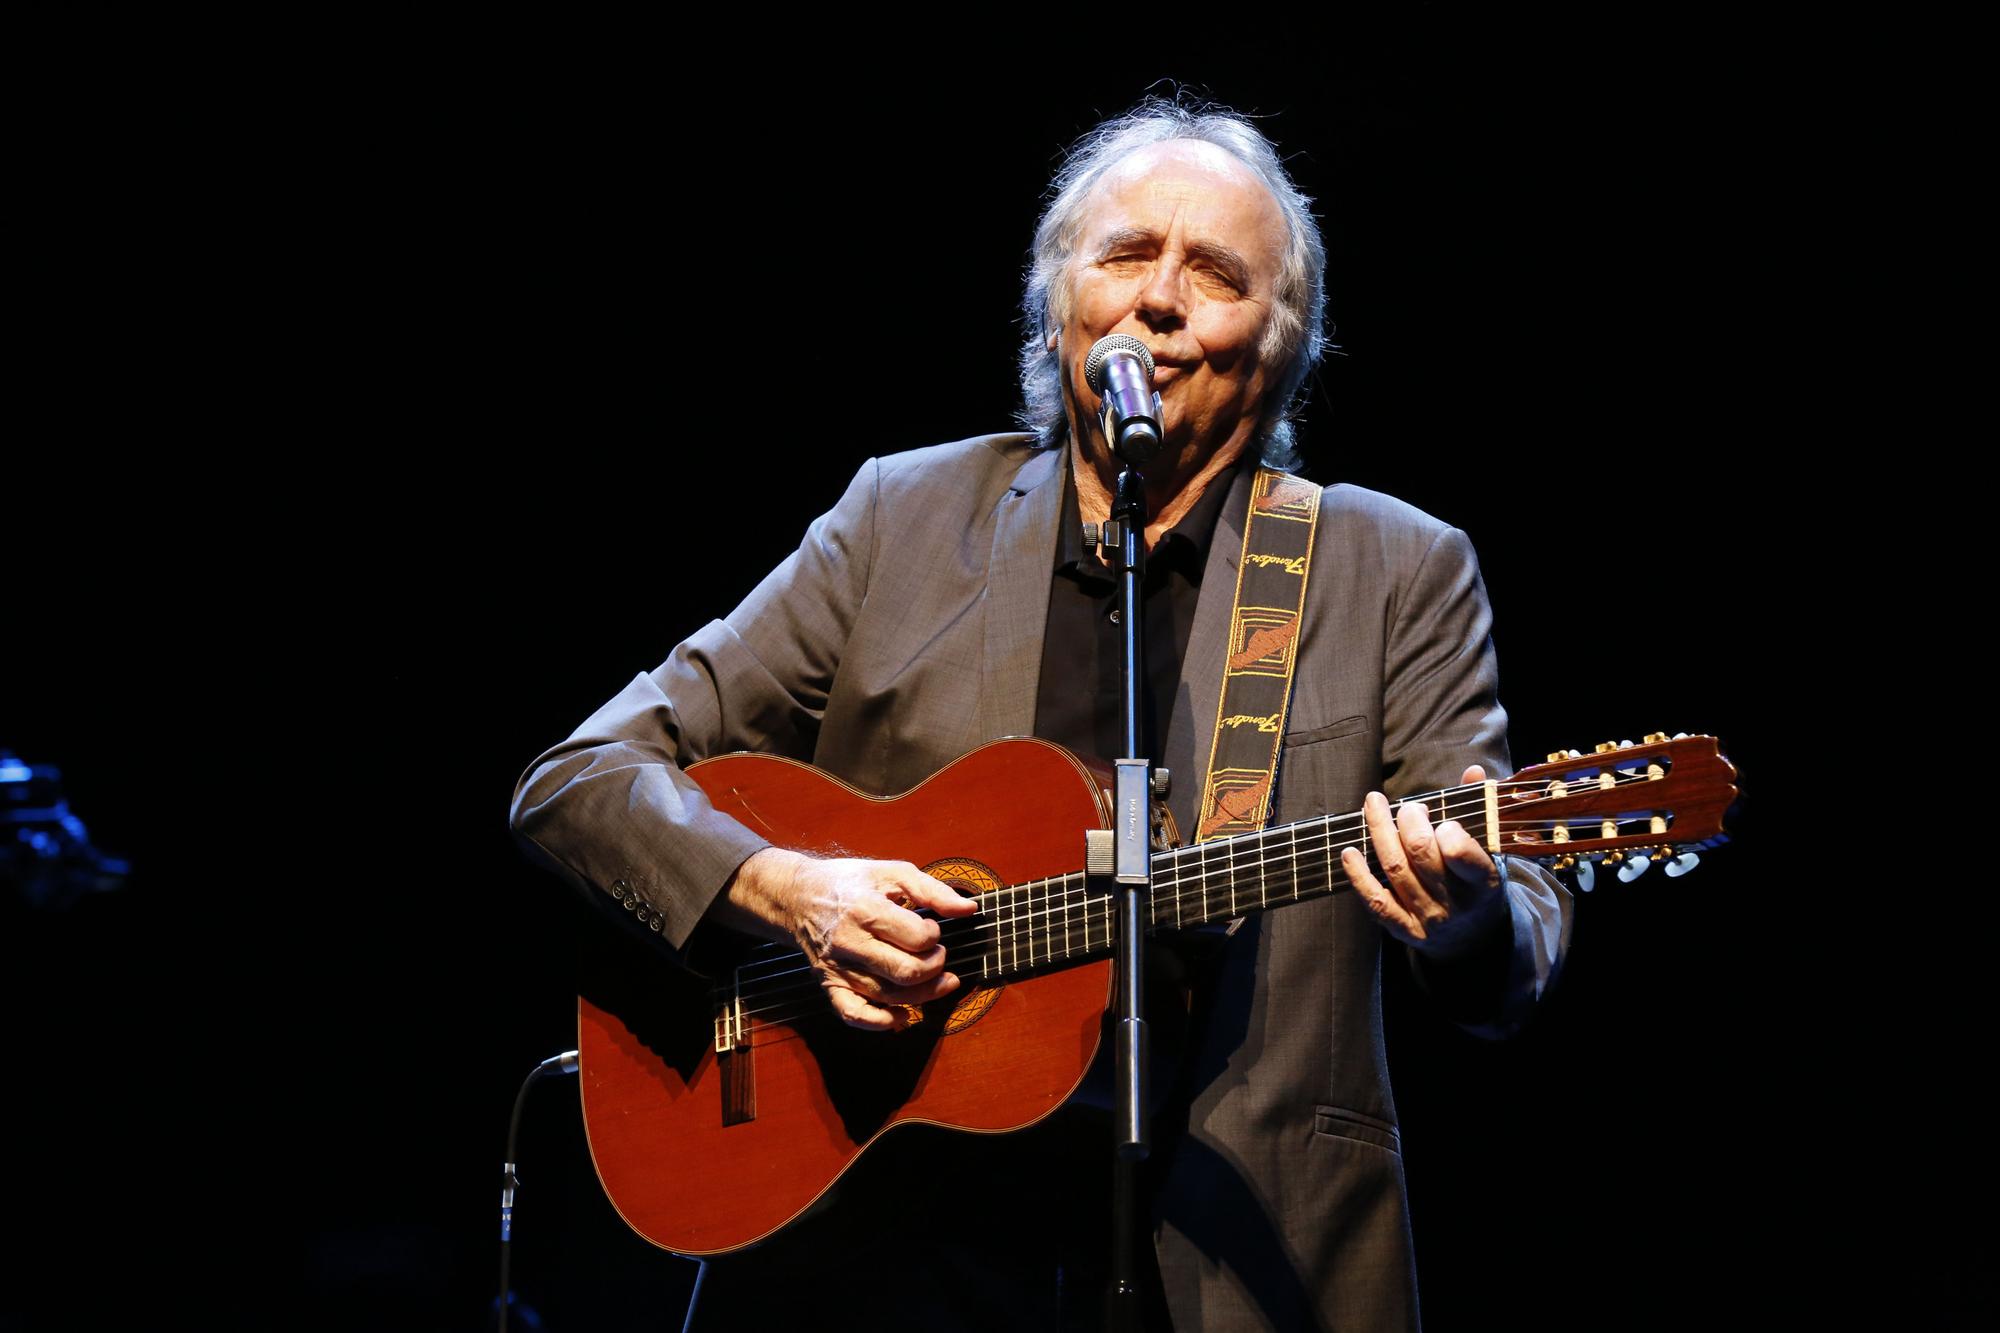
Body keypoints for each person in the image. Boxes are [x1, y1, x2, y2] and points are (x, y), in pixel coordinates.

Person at [511, 97, 1572, 1332]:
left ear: (1277, 345)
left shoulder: (1391, 569)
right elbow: (578, 778)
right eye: (1123, 255)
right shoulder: (900, 521)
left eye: (1213, 275)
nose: (1157, 300)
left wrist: (1467, 918)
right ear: (1058, 296)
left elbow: (1518, 934)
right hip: (876, 1251)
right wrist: (787, 891)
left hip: (1234, 1253)